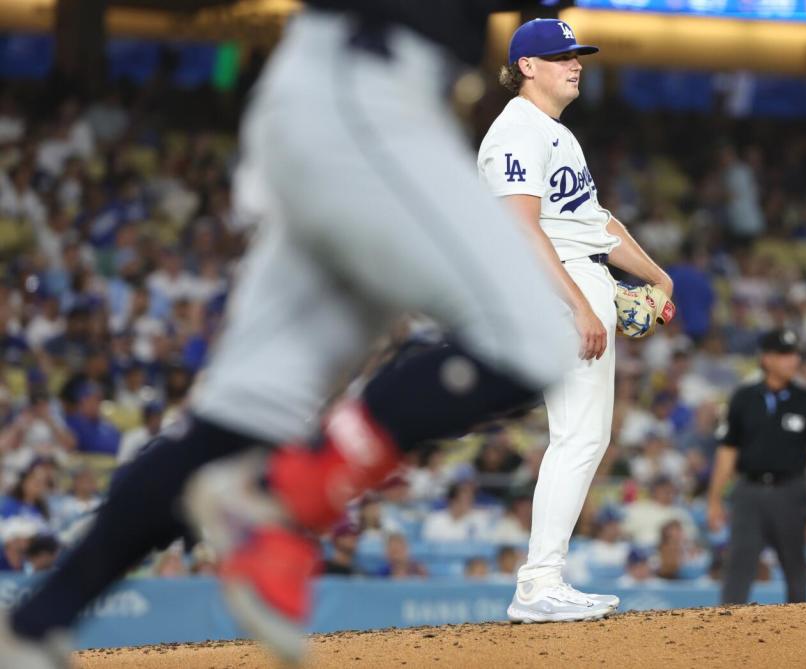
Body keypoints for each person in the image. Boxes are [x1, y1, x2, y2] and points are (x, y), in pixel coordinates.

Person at [0, 3, 583, 667]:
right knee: (531, 336)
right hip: (367, 91)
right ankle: (279, 500)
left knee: (241, 415)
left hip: (341, 95)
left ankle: (32, 628)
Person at [476, 17, 673, 624]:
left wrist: (656, 275)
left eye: (577, 54)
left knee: (584, 434)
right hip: (557, 283)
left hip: (578, 271)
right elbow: (519, 226)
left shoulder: (555, 132)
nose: (576, 62)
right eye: (562, 56)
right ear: (527, 67)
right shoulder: (516, 130)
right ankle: (539, 583)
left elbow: (597, 223)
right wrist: (579, 304)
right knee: (580, 435)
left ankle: (544, 579)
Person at [707, 328, 806, 604]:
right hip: (748, 492)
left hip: (790, 491)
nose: (793, 361)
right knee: (738, 568)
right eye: (784, 354)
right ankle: (726, 635)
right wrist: (715, 499)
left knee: (796, 567)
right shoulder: (744, 398)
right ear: (766, 359)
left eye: (794, 355)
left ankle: (800, 637)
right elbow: (728, 451)